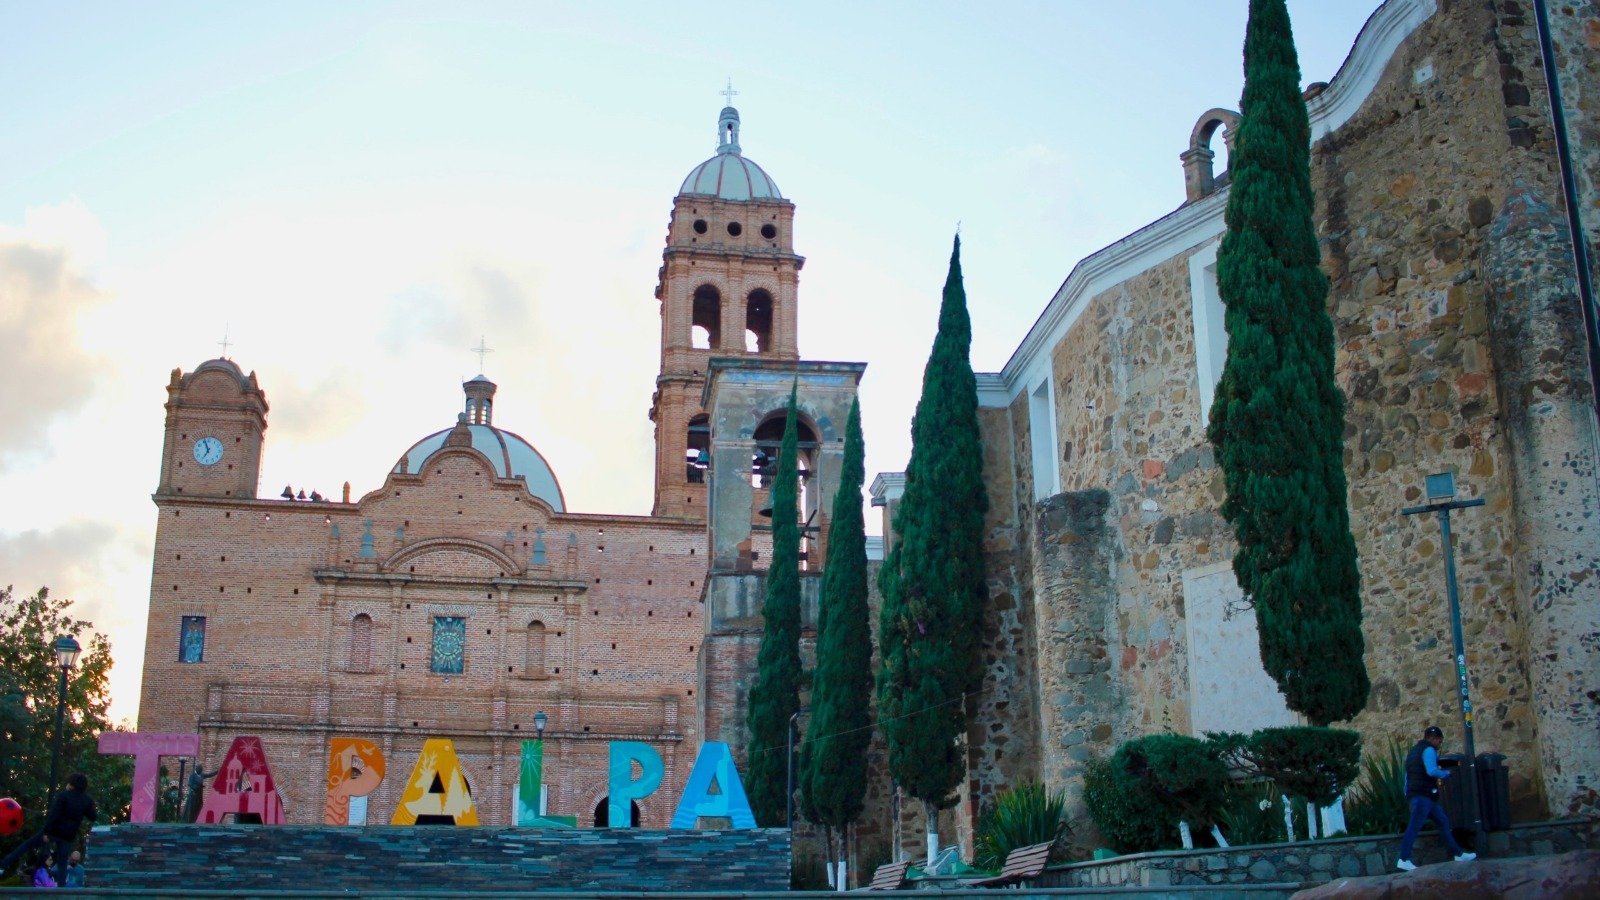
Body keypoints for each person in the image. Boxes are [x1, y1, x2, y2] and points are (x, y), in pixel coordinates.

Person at [1397, 725, 1477, 870]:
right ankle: (1403, 858)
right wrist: (1446, 773)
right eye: (1440, 742)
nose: (1439, 746)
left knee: (1443, 821)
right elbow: (1432, 770)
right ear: (1433, 739)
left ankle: (1458, 853)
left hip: (1419, 796)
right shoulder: (1428, 750)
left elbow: (1407, 777)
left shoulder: (1413, 752)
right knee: (1414, 827)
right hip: (1423, 795)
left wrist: (1408, 795)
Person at [0, 772, 97, 886]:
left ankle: (3, 865)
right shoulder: (86, 800)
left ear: (71, 784)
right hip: (68, 836)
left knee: (27, 845)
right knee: (62, 863)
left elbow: (54, 815)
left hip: (54, 831)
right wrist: (87, 806)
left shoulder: (64, 796)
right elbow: (93, 817)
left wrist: (46, 832)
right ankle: (61, 890)